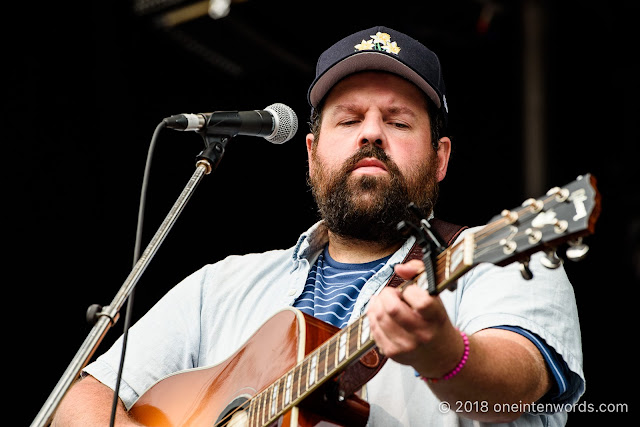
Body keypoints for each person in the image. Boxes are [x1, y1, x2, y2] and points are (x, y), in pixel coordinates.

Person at [52, 25, 584, 426]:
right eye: (349, 120)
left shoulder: (502, 260)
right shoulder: (221, 285)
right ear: (311, 153)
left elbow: (516, 390)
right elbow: (82, 397)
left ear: (440, 158)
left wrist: (444, 351)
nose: (371, 134)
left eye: (398, 122)